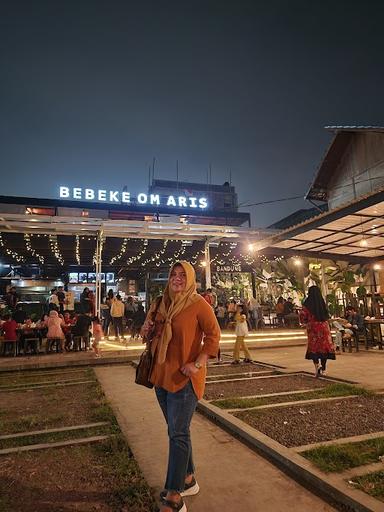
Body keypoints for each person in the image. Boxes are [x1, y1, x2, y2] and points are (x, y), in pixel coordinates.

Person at [141, 261, 220, 512]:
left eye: (182, 275)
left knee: (177, 433)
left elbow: (214, 336)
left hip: (184, 380)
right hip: (161, 377)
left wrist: (197, 363)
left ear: (190, 279)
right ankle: (188, 478)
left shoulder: (199, 304)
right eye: (173, 275)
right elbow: (150, 334)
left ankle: (174, 495)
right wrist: (146, 330)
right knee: (177, 431)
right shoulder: (160, 302)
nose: (177, 279)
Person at [300, 286, 335, 377]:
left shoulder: (307, 304)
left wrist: (305, 323)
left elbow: (303, 315)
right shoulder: (321, 302)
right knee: (324, 348)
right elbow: (327, 314)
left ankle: (317, 367)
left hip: (313, 328)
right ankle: (324, 369)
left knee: (314, 348)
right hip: (324, 327)